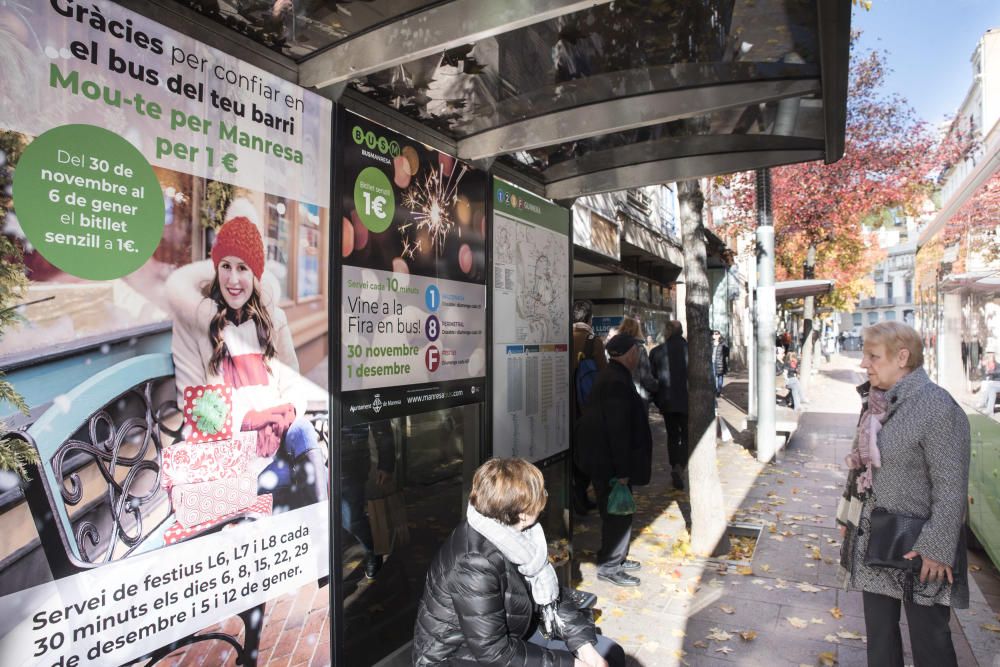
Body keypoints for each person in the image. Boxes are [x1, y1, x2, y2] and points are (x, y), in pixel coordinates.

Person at [167, 216, 327, 509]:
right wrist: (254, 420)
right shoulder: (194, 323)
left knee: (303, 431)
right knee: (303, 478)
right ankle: (321, 533)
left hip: (276, 446)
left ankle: (319, 530)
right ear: (216, 269)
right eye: (225, 266)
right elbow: (193, 404)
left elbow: (293, 382)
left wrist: (284, 415)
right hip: (229, 458)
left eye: (243, 268)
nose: (233, 279)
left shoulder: (273, 320)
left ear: (256, 273)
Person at [836, 322, 970, 667]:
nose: (865, 364)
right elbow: (859, 471)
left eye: (873, 356)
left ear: (903, 358)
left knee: (931, 645)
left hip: (921, 552)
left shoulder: (937, 407)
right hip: (876, 541)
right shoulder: (878, 402)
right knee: (880, 640)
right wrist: (847, 519)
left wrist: (936, 551)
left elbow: (951, 487)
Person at [412, 458, 625, 667]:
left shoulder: (517, 535)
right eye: (541, 495)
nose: (544, 500)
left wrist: (584, 646)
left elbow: (551, 594)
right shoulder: (475, 563)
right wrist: (572, 664)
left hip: (507, 635)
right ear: (522, 514)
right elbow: (493, 653)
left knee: (609, 654)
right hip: (455, 656)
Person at [575, 334, 653, 587]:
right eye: (637, 351)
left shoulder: (612, 375)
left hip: (606, 461)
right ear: (629, 353)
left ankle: (615, 557)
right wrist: (622, 470)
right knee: (617, 514)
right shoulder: (615, 381)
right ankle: (610, 565)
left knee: (618, 513)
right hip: (610, 464)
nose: (639, 355)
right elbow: (617, 431)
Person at [341, 420, 395, 579]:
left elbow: (382, 426)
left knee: (351, 519)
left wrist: (386, 465)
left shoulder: (356, 396)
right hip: (331, 464)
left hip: (352, 463)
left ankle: (373, 550)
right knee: (343, 516)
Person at [571, 300, 607, 515]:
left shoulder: (562, 337)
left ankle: (577, 494)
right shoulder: (593, 342)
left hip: (564, 406)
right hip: (585, 407)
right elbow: (602, 374)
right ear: (589, 319)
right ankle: (580, 494)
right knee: (587, 452)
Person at [650, 321, 688, 490]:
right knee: (686, 435)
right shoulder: (691, 351)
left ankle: (675, 465)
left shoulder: (657, 352)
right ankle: (682, 465)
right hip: (687, 401)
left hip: (668, 401)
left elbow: (653, 380)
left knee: (673, 435)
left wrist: (657, 400)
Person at [616, 316, 658, 409]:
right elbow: (646, 377)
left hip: (617, 394)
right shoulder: (639, 348)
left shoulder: (612, 347)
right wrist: (657, 387)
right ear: (637, 330)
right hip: (637, 396)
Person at [975, 348, 1000, 414]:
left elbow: (998, 372)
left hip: (996, 382)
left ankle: (983, 403)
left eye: (991, 356)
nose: (990, 357)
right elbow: (980, 373)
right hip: (993, 382)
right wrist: (981, 366)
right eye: (989, 356)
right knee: (989, 387)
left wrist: (991, 372)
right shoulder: (986, 364)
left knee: (988, 385)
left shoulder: (997, 365)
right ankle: (988, 408)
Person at [711, 330, 729, 397]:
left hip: (720, 362)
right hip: (712, 362)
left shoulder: (723, 344)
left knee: (720, 377)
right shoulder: (711, 343)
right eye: (714, 334)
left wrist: (723, 358)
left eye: (716, 334)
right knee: (714, 377)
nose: (715, 336)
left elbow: (727, 353)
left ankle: (719, 390)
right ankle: (715, 390)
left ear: (719, 335)